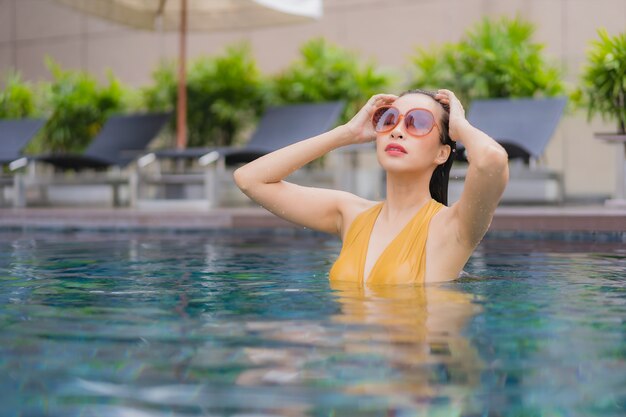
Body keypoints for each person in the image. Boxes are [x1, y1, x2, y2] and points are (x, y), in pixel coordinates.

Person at [234, 89, 509, 284]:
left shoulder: (452, 228)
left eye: (419, 122)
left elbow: (492, 160)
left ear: (442, 153)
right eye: (389, 119)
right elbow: (249, 179)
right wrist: (346, 133)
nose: (398, 130)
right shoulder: (350, 214)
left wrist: (459, 125)